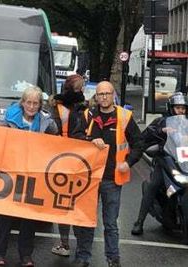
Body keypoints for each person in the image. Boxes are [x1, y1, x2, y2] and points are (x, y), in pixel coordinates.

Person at [73, 81, 143, 267]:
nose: (104, 97)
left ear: (113, 95)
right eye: (100, 94)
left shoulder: (124, 117)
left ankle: (113, 259)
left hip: (112, 179)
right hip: (89, 178)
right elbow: (75, 137)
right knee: (86, 221)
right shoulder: (88, 115)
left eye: (107, 93)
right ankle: (83, 257)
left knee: (111, 223)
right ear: (96, 97)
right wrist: (89, 139)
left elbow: (139, 144)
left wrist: (128, 163)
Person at [0, 86, 59, 266]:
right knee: (5, 216)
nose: (31, 106)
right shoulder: (8, 118)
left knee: (28, 217)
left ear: (39, 105)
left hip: (32, 174)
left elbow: (57, 140)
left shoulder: (46, 121)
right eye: (28, 102)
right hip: (10, 172)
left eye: (35, 103)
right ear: (23, 103)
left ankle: (26, 256)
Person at [131, 92, 188, 235]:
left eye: (183, 108)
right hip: (165, 161)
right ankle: (139, 222)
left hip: (184, 163)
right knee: (153, 186)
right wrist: (162, 130)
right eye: (177, 108)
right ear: (171, 108)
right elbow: (146, 135)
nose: (180, 111)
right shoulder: (162, 121)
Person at [48, 74, 86, 256]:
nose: (82, 92)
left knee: (65, 204)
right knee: (73, 205)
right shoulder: (82, 107)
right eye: (80, 89)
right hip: (73, 162)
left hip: (63, 161)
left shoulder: (57, 106)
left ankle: (67, 244)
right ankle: (78, 247)